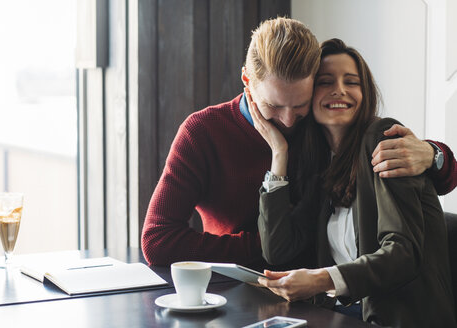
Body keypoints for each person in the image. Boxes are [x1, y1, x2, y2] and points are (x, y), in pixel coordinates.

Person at [141, 17, 457, 268]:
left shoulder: (319, 124)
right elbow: (157, 240)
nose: (290, 120)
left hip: (322, 295)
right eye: (274, 107)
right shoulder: (203, 133)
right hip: (234, 286)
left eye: (300, 104)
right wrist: (266, 245)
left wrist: (433, 154)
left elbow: (439, 180)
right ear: (247, 81)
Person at [256, 38, 456, 327]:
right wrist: (279, 153)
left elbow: (403, 252)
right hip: (346, 315)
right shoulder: (323, 165)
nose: (339, 89)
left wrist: (321, 279)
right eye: (325, 82)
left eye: (352, 82)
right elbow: (277, 249)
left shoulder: (383, 139)